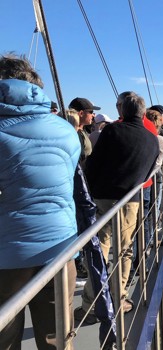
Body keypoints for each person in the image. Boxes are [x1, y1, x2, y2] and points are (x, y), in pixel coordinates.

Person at [0, 53, 80, 349]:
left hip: (6, 256)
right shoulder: (66, 130)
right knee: (56, 337)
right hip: (60, 249)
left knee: (5, 338)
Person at [80, 91, 159, 316]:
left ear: (122, 110)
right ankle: (119, 299)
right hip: (131, 201)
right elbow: (147, 174)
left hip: (104, 197)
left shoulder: (113, 130)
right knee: (124, 251)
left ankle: (91, 303)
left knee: (100, 249)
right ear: (143, 113)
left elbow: (94, 163)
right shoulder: (151, 138)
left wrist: (91, 191)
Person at [65, 109, 117, 349]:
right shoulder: (78, 140)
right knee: (101, 246)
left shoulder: (90, 137)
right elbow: (87, 160)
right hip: (89, 202)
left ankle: (89, 298)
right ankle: (96, 299)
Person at [68, 97, 100, 166]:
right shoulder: (76, 133)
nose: (93, 115)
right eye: (91, 112)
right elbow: (80, 158)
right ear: (81, 113)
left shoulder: (80, 131)